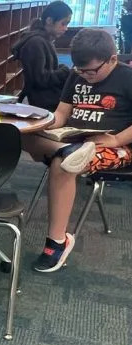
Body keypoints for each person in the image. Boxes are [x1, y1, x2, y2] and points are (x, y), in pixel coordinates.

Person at [21, 29, 132, 272]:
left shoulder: (127, 78)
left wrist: (116, 140)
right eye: (79, 70)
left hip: (112, 145)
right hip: (72, 137)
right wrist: (41, 123)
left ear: (112, 59)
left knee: (63, 162)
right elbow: (62, 114)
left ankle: (57, 242)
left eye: (90, 71)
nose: (84, 75)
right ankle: (63, 147)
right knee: (18, 135)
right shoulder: (75, 76)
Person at [12, 1, 73, 112]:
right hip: (39, 102)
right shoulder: (35, 43)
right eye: (63, 23)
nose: (66, 28)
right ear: (49, 21)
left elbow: (46, 70)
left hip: (45, 99)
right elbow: (40, 79)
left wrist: (61, 68)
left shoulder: (44, 40)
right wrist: (64, 72)